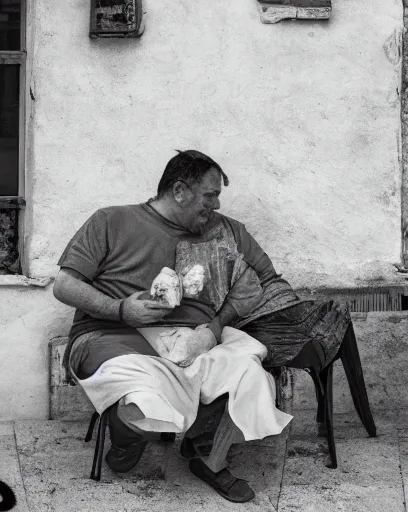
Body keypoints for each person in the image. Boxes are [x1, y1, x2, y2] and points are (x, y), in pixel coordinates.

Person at [52, 150, 294, 503]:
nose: (215, 205)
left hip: (198, 339)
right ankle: (127, 436)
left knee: (248, 369)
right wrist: (120, 310)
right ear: (179, 191)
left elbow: (268, 282)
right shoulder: (111, 221)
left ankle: (206, 454)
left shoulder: (226, 233)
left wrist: (214, 328)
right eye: (209, 196)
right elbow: (64, 286)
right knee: (135, 383)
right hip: (113, 335)